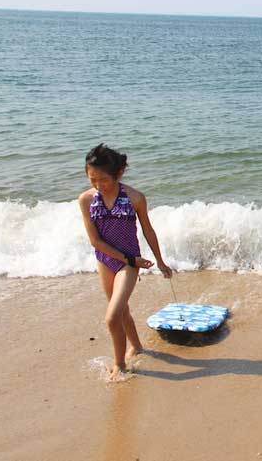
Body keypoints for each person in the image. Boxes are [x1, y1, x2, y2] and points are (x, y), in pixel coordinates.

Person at [78, 143, 172, 381]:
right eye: (92, 179)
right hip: (106, 260)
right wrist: (130, 258)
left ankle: (119, 364)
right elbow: (95, 241)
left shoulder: (135, 198)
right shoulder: (86, 200)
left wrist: (160, 261)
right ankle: (137, 346)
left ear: (118, 174)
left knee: (112, 316)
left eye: (103, 179)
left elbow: (148, 230)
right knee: (122, 311)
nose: (98, 185)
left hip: (129, 264)